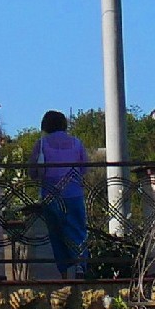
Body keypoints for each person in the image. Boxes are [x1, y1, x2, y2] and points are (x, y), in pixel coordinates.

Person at [35, 110, 91, 279]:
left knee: (56, 233)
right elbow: (84, 168)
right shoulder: (76, 143)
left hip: (51, 196)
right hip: (74, 194)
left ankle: (64, 271)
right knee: (78, 230)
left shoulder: (42, 143)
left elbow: (33, 171)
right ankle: (81, 265)